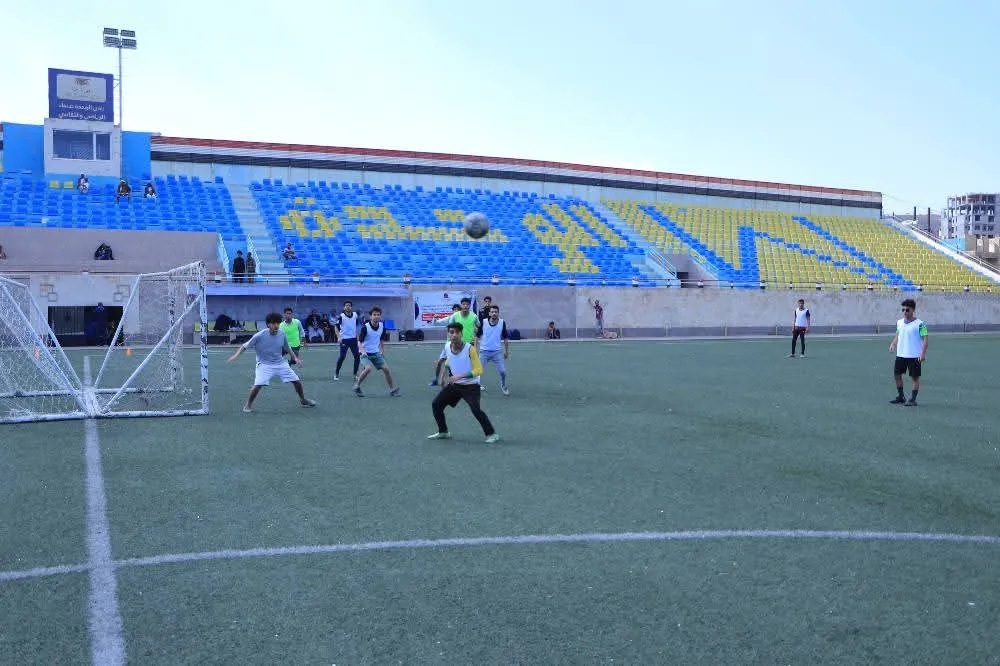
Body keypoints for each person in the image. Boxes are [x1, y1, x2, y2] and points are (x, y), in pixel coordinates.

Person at [227, 312, 317, 413]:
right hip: (264, 365)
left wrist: (295, 358)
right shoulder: (260, 335)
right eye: (273, 323)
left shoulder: (282, 334)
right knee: (258, 385)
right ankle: (247, 405)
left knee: (297, 381)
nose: (276, 325)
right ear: (268, 324)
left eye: (278, 323)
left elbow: (287, 348)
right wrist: (235, 356)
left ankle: (303, 400)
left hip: (280, 363)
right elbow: (244, 346)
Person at [427, 322, 499, 443]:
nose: (454, 335)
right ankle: (443, 432)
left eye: (456, 332)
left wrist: (459, 376)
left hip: (471, 386)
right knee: (436, 404)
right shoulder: (447, 346)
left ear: (461, 333)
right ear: (448, 334)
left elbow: (479, 370)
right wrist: (442, 377)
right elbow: (448, 362)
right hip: (455, 385)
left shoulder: (470, 349)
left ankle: (491, 434)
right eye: (451, 332)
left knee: (475, 409)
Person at [889, 298, 928, 406]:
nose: (905, 312)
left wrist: (923, 353)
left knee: (915, 378)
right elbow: (898, 334)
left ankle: (913, 399)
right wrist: (893, 343)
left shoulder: (920, 324)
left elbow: (925, 339)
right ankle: (901, 396)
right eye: (903, 310)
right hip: (901, 354)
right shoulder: (899, 322)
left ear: (913, 310)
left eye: (907, 310)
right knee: (897, 375)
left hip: (914, 355)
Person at [353, 306, 400, 397]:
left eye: (378, 315)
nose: (376, 316)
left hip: (375, 352)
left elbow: (382, 340)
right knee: (368, 369)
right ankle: (357, 386)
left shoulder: (382, 326)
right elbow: (359, 342)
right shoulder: (365, 328)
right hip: (365, 353)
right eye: (374, 315)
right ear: (370, 316)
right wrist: (362, 351)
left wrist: (382, 350)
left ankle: (392, 390)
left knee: (386, 369)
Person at [477, 305, 510, 395]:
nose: (494, 313)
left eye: (496, 312)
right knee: (478, 371)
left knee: (503, 372)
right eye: (492, 312)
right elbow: (476, 336)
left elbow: (505, 338)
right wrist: (475, 349)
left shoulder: (502, 322)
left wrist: (506, 351)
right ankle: (476, 386)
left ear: (498, 313)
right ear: (489, 313)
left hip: (496, 353)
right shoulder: (483, 322)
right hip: (484, 352)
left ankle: (503, 386)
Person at [334, 300, 361, 381]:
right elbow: (336, 327)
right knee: (342, 357)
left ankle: (355, 374)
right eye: (346, 305)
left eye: (349, 305)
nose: (348, 307)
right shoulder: (341, 316)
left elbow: (355, 326)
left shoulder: (355, 315)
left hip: (353, 339)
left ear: (351, 307)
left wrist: (358, 337)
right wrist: (339, 337)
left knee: (357, 356)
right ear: (344, 307)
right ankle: (336, 373)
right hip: (344, 340)